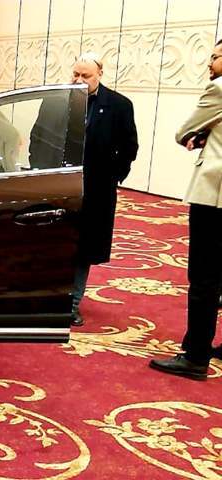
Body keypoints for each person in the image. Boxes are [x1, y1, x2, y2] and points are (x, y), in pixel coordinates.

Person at [149, 40, 222, 381]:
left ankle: (195, 356)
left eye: (216, 56)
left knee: (204, 278)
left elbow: (183, 132)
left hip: (214, 197)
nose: (210, 62)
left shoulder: (218, 89)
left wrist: (198, 134)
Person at [69, 52, 139, 327]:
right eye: (76, 74)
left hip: (96, 189)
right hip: (59, 185)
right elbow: (38, 135)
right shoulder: (58, 100)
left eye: (85, 75)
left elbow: (129, 147)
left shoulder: (119, 105)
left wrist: (113, 176)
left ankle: (72, 303)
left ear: (100, 74)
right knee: (56, 242)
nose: (79, 80)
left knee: (83, 248)